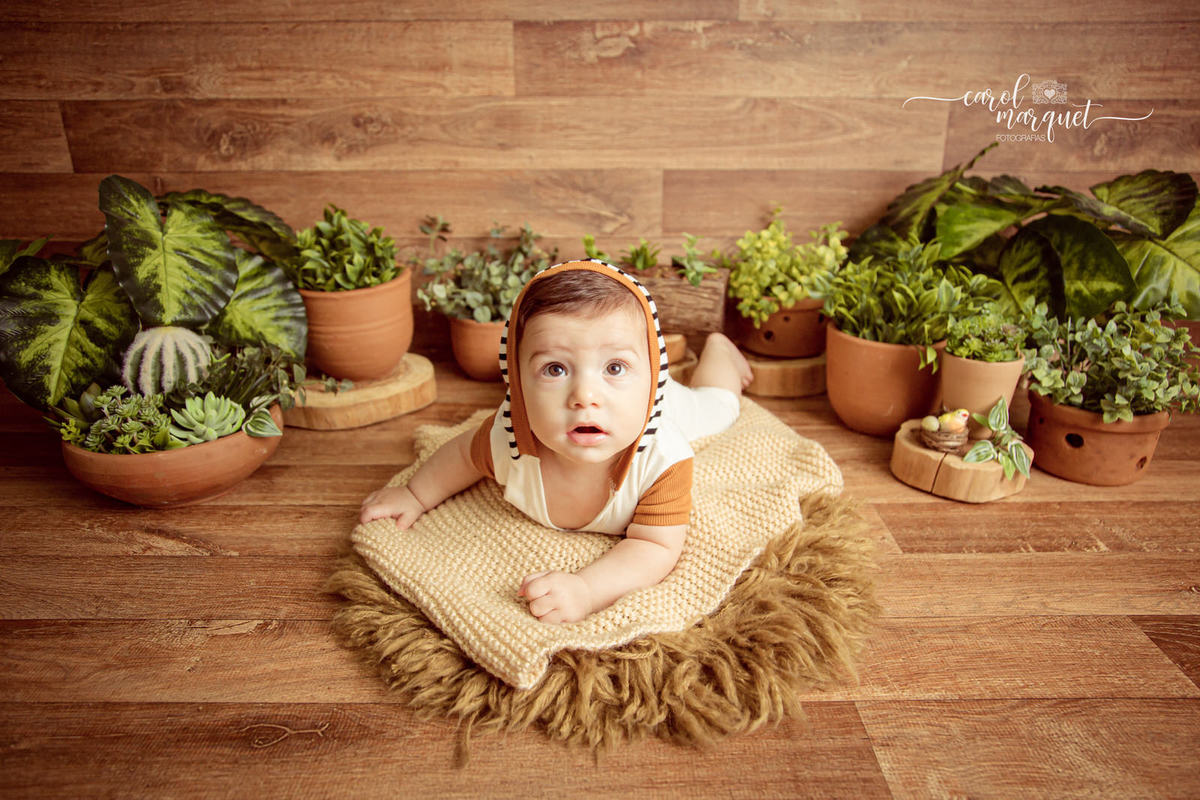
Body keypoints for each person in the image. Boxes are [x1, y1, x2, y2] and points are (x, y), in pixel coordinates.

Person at [360, 259, 752, 623]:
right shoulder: (510, 438)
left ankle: (719, 352)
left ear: (652, 378)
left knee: (717, 406)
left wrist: (587, 589)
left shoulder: (663, 458)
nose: (585, 395)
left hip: (674, 410)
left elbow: (655, 548)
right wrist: (414, 494)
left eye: (615, 367)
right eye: (555, 368)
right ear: (516, 381)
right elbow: (462, 455)